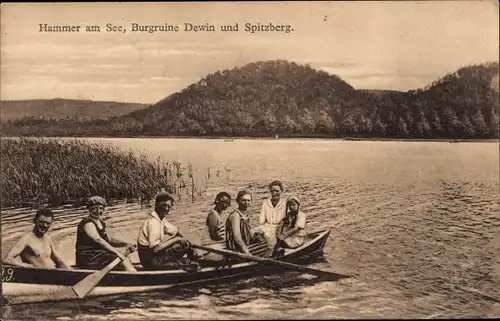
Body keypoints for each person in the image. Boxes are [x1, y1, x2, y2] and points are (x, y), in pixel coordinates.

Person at [137, 190, 201, 270]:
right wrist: (177, 239)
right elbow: (156, 249)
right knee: (191, 262)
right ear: (156, 204)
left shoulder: (161, 219)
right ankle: (190, 264)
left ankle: (192, 260)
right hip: (151, 261)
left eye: (169, 206)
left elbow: (176, 231)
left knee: (185, 245)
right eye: (164, 205)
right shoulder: (153, 222)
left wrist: (191, 246)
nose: (166, 209)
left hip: (156, 257)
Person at [75, 196, 137, 271]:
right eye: (95, 208)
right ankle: (135, 276)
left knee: (124, 258)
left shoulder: (102, 223)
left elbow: (109, 239)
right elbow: (98, 240)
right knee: (119, 257)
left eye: (100, 208)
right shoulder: (87, 223)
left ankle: (131, 272)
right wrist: (117, 252)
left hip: (98, 254)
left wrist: (126, 243)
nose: (98, 211)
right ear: (89, 209)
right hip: (88, 257)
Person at [3, 207, 72, 269]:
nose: (44, 225)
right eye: (41, 222)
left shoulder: (47, 237)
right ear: (34, 221)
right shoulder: (26, 239)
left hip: (52, 274)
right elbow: (7, 259)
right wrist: (26, 266)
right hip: (37, 277)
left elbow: (58, 260)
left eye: (47, 223)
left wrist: (71, 271)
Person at [253, 180, 287, 249]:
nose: (274, 193)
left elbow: (286, 221)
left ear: (281, 191)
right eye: (272, 191)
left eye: (277, 191)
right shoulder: (266, 202)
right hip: (266, 226)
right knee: (251, 232)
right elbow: (261, 221)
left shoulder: (285, 203)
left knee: (270, 237)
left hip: (279, 228)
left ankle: (271, 252)